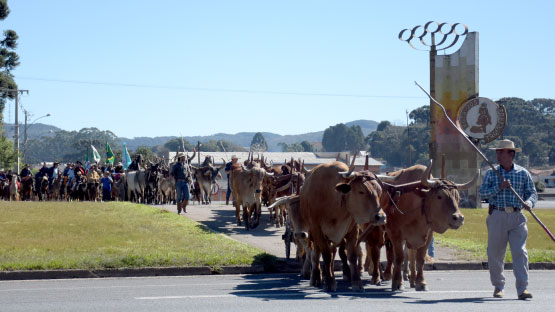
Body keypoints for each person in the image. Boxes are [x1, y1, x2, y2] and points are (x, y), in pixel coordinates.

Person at [479, 139, 537, 300]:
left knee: (520, 252)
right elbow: (482, 194)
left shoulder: (523, 173)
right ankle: (498, 286)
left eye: (501, 152)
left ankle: (522, 289)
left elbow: (532, 193)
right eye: (497, 151)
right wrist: (499, 187)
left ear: (511, 154)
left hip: (518, 217)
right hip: (497, 215)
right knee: (495, 254)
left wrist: (529, 202)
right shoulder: (492, 173)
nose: (497, 154)